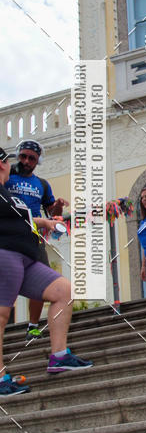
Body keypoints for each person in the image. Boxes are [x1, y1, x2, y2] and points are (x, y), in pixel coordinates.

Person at [0, 146, 92, 397]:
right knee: (1, 315)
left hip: (27, 256)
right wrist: (44, 221)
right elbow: (19, 217)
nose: (22, 162)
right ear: (3, 164)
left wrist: (50, 220)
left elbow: (26, 216)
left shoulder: (13, 193)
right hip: (4, 253)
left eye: (32, 157)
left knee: (63, 290)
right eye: (14, 160)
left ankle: (59, 355)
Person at [4, 140, 69, 340]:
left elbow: (52, 212)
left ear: (37, 161)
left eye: (31, 158)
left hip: (33, 235)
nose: (26, 161)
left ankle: (32, 326)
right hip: (7, 233)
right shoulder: (7, 176)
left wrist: (57, 205)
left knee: (43, 280)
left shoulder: (41, 184)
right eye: (22, 156)